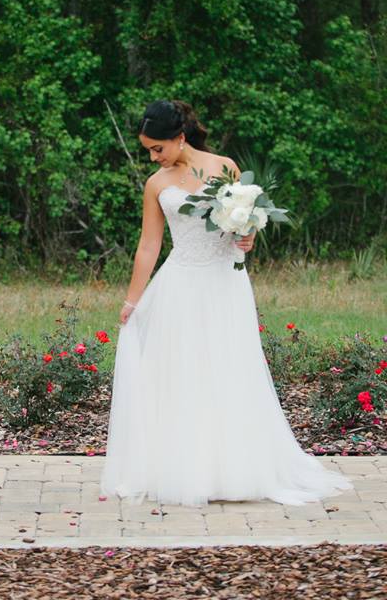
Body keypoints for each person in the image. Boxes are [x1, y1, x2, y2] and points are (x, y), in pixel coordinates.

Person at [99, 98, 354, 507]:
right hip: (180, 284)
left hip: (224, 283)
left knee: (228, 367)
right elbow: (149, 245)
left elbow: (243, 226)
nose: (153, 156)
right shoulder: (156, 184)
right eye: (148, 149)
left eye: (157, 148)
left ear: (179, 139)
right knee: (183, 373)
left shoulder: (226, 167)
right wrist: (133, 300)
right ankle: (188, 468)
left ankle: (236, 467)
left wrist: (248, 235)